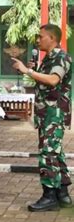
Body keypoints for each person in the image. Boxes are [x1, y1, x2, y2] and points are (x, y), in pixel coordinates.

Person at [12, 24, 72, 212]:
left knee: (47, 153)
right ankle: (62, 193)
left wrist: (28, 71)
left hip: (53, 114)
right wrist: (32, 70)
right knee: (55, 151)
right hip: (47, 113)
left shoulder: (62, 57)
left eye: (41, 37)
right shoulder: (48, 59)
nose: (37, 40)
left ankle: (49, 196)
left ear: (52, 39)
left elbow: (53, 80)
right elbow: (44, 81)